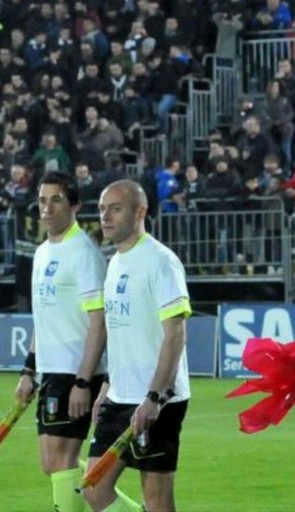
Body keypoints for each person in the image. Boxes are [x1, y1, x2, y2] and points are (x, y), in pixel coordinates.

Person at [83, 180, 192, 512]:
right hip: (119, 397)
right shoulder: (114, 262)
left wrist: (155, 397)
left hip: (157, 400)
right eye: (102, 209)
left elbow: (175, 333)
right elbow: (121, 334)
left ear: (140, 211)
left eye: (115, 209)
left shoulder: (160, 260)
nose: (105, 217)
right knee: (94, 488)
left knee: (157, 500)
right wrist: (107, 384)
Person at [13, 171, 110, 512]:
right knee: (52, 463)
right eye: (42, 200)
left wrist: (83, 381)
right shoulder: (41, 253)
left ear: (74, 206)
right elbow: (43, 318)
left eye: (56, 200)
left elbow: (100, 321)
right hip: (51, 371)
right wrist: (29, 369)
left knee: (61, 461)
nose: (47, 207)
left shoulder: (83, 253)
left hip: (75, 371)